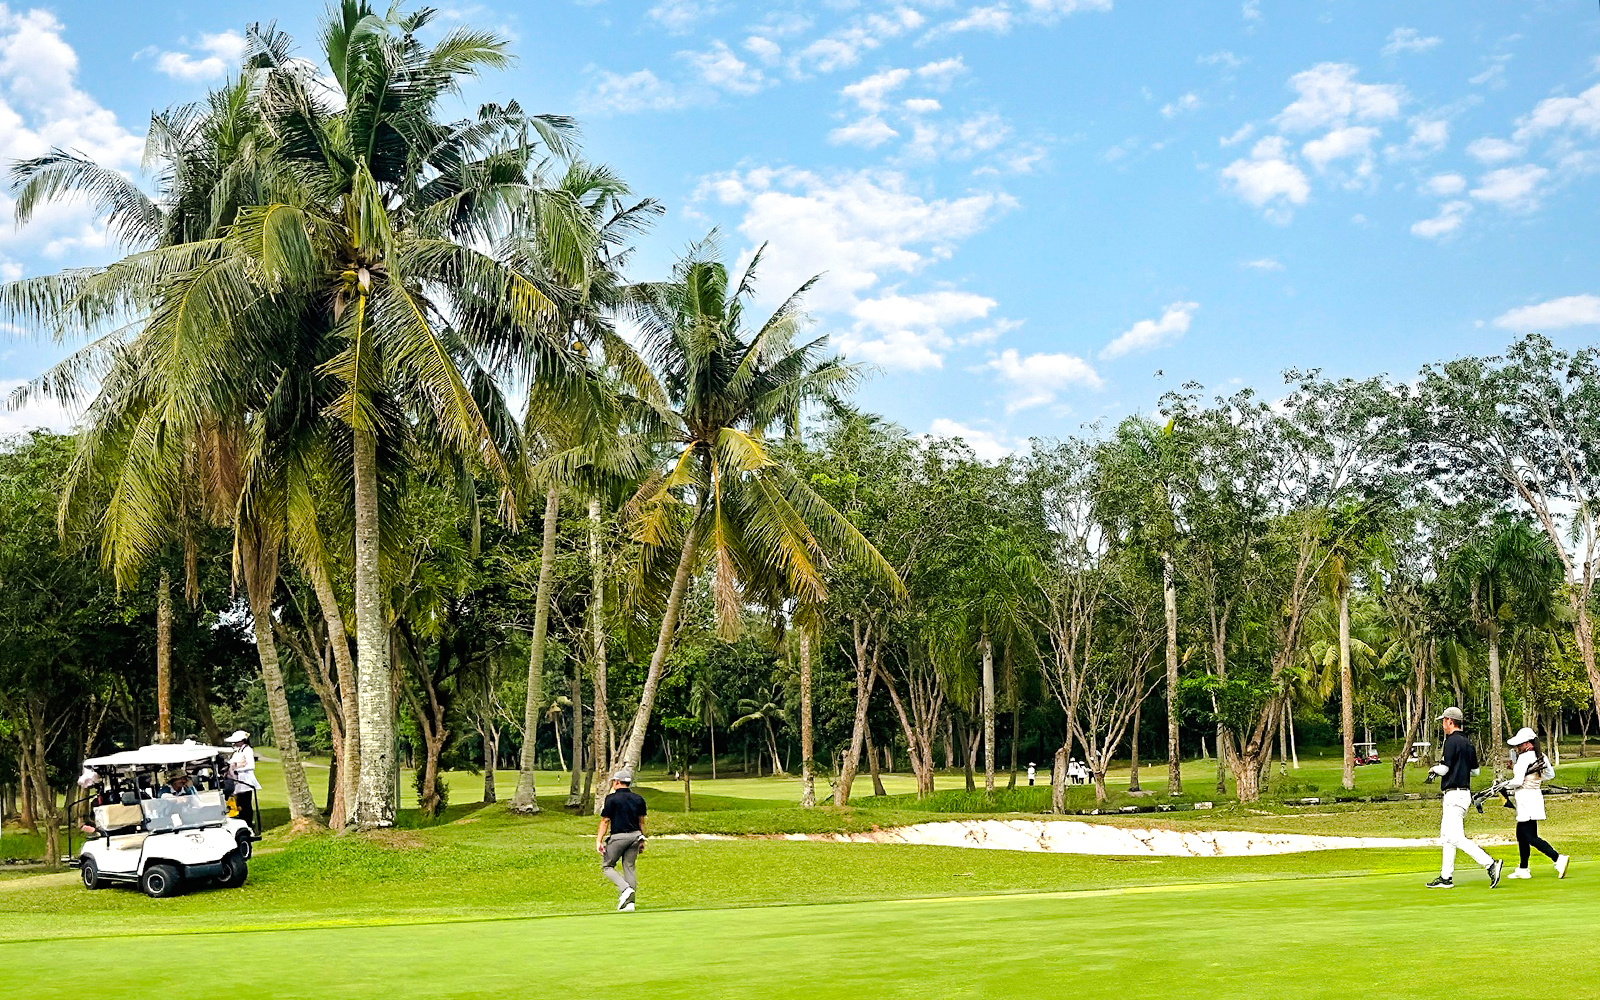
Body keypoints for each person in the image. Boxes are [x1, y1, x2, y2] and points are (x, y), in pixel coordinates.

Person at [1426, 707, 1503, 889]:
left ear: (1450, 722)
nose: (1443, 725)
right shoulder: (1468, 743)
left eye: (1444, 721)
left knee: (1456, 837)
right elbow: (1475, 772)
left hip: (1454, 795)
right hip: (1463, 794)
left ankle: (1490, 864)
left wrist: (1433, 770)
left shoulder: (1451, 742)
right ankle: (1446, 877)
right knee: (1446, 837)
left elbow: (1444, 769)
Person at [1502, 727, 1569, 880]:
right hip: (1534, 796)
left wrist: (1504, 785)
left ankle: (1558, 858)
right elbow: (1549, 774)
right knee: (1521, 834)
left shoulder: (1525, 758)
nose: (1517, 748)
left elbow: (1517, 781)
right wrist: (1533, 778)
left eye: (1520, 744)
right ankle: (1523, 868)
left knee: (1530, 836)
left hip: (1526, 798)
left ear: (1528, 744)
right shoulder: (1540, 756)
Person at [596, 768, 648, 911]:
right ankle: (630, 903)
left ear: (617, 782)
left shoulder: (611, 798)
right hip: (635, 836)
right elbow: (641, 822)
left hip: (619, 836)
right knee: (629, 867)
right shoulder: (638, 799)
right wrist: (642, 840)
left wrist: (599, 840)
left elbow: (605, 821)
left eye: (613, 781)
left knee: (607, 866)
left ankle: (625, 890)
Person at [226, 731, 260, 832]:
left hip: (245, 780)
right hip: (236, 780)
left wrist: (237, 767)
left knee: (245, 804)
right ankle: (242, 823)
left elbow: (250, 766)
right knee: (238, 804)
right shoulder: (238, 751)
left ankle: (248, 825)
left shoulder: (248, 750)